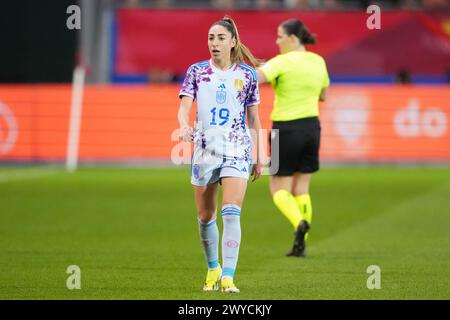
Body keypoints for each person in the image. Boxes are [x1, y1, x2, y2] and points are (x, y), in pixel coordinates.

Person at [177, 16, 264, 293]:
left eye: (220, 38)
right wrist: (183, 125)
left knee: (231, 212)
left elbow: (254, 119)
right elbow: (184, 107)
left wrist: (260, 155)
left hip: (236, 150)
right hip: (204, 151)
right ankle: (213, 266)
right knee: (205, 216)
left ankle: (228, 276)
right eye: (211, 38)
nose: (214, 43)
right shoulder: (197, 72)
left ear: (233, 42)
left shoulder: (248, 75)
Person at [256, 18, 330, 257]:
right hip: (312, 127)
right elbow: (324, 95)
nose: (276, 41)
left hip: (285, 129)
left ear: (292, 38)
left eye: (279, 36)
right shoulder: (318, 61)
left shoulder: (281, 62)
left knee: (278, 188)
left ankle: (299, 222)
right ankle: (302, 243)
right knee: (302, 188)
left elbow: (256, 78)